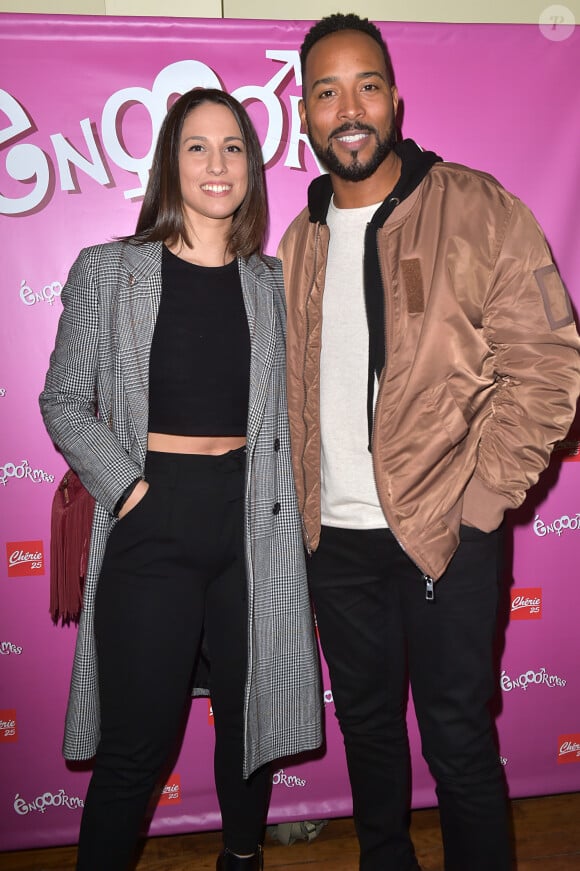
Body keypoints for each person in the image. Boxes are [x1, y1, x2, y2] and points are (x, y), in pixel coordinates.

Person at [278, 13, 580, 871]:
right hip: (333, 545)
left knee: (457, 743)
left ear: (395, 99)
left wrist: (481, 505)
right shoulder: (298, 242)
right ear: (304, 113)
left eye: (366, 86)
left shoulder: (477, 209)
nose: (349, 108)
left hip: (445, 537)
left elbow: (549, 365)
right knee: (369, 736)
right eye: (327, 91)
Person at [40, 87, 322, 871]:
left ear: (252, 167)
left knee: (249, 727)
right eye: (197, 146)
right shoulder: (108, 271)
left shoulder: (273, 285)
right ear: (169, 162)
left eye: (233, 146)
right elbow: (63, 400)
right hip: (152, 517)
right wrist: (129, 490)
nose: (216, 163)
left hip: (251, 524)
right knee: (137, 744)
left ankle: (242, 858)